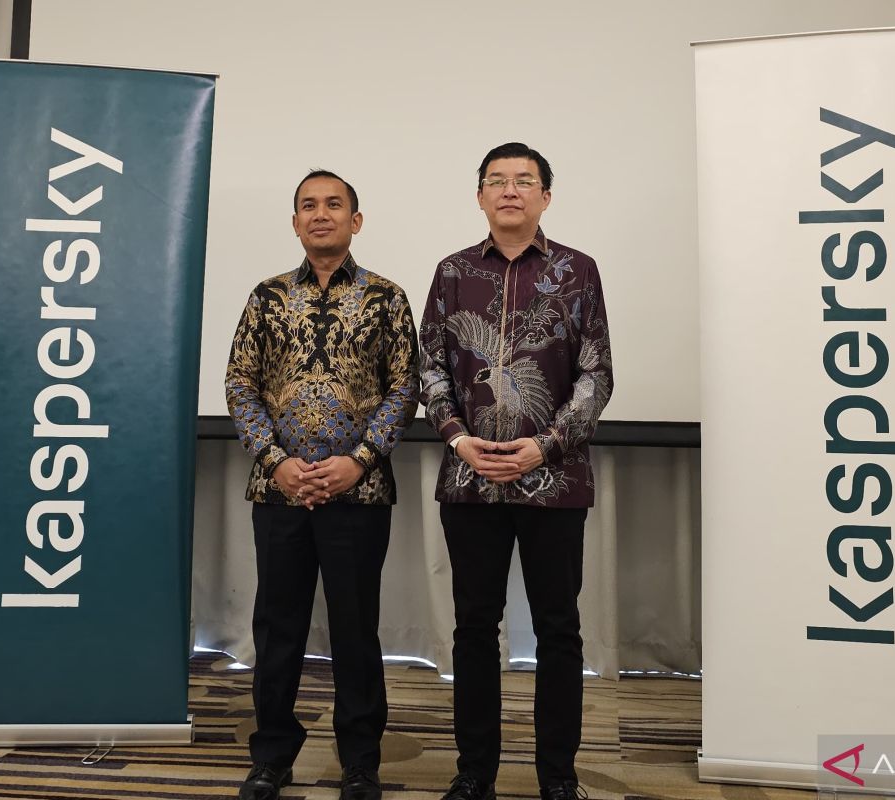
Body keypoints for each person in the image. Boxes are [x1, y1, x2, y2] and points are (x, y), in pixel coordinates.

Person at [419, 143, 613, 800]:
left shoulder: (578, 271)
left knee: (559, 629)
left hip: (555, 482)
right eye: (496, 181)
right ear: (480, 196)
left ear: (545, 197)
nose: (510, 190)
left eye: (524, 181)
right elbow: (430, 369)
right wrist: (457, 438)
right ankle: (474, 772)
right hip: (469, 481)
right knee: (474, 629)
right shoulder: (452, 273)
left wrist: (546, 446)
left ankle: (558, 776)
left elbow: (595, 373)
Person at [226, 170, 419, 800]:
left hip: (358, 493)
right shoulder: (267, 297)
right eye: (307, 205)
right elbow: (240, 385)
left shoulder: (387, 299)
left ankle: (360, 761)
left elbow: (404, 389)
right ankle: (271, 757)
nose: (320, 214)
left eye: (334, 204)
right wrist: (275, 460)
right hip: (279, 492)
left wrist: (358, 460)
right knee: (276, 628)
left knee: (355, 630)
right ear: (294, 222)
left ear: (355, 221)